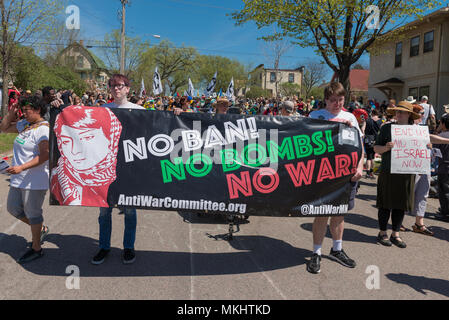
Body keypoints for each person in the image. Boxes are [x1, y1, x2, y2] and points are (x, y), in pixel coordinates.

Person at [306, 82, 364, 274]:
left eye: (340, 100)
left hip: (346, 175)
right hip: (322, 174)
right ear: (325, 100)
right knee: (322, 213)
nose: (337, 104)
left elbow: (359, 146)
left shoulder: (350, 118)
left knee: (339, 213)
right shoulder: (315, 116)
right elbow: (303, 146)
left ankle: (337, 249)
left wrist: (360, 166)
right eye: (333, 100)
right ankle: (316, 252)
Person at [91, 74, 146, 265]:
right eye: (113, 85)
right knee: (104, 212)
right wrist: (58, 107)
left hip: (129, 170)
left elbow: (157, 128)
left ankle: (128, 247)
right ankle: (104, 247)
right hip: (106, 169)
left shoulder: (139, 110)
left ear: (128, 89)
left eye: (120, 85)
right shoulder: (103, 110)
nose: (116, 88)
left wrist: (177, 113)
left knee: (130, 211)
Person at [0, 96, 50, 263]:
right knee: (13, 208)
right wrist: (11, 112)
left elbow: (45, 155)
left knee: (33, 213)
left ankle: (37, 248)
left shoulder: (43, 129)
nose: (24, 113)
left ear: (37, 110)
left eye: (27, 110)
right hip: (18, 177)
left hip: (34, 180)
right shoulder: (27, 126)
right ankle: (40, 228)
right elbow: (4, 128)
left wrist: (21, 167)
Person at [51, 106, 122, 207]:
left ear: (110, 138)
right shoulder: (57, 179)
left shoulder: (126, 173)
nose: (74, 151)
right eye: (66, 141)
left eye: (87, 137)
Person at [373, 101, 421, 248]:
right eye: (397, 111)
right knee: (385, 203)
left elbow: (422, 149)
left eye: (402, 112)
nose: (399, 114)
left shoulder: (416, 131)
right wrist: (386, 147)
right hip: (388, 171)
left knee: (401, 204)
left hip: (407, 173)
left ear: (409, 115)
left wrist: (427, 146)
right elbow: (376, 148)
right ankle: (382, 233)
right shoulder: (387, 128)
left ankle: (395, 233)